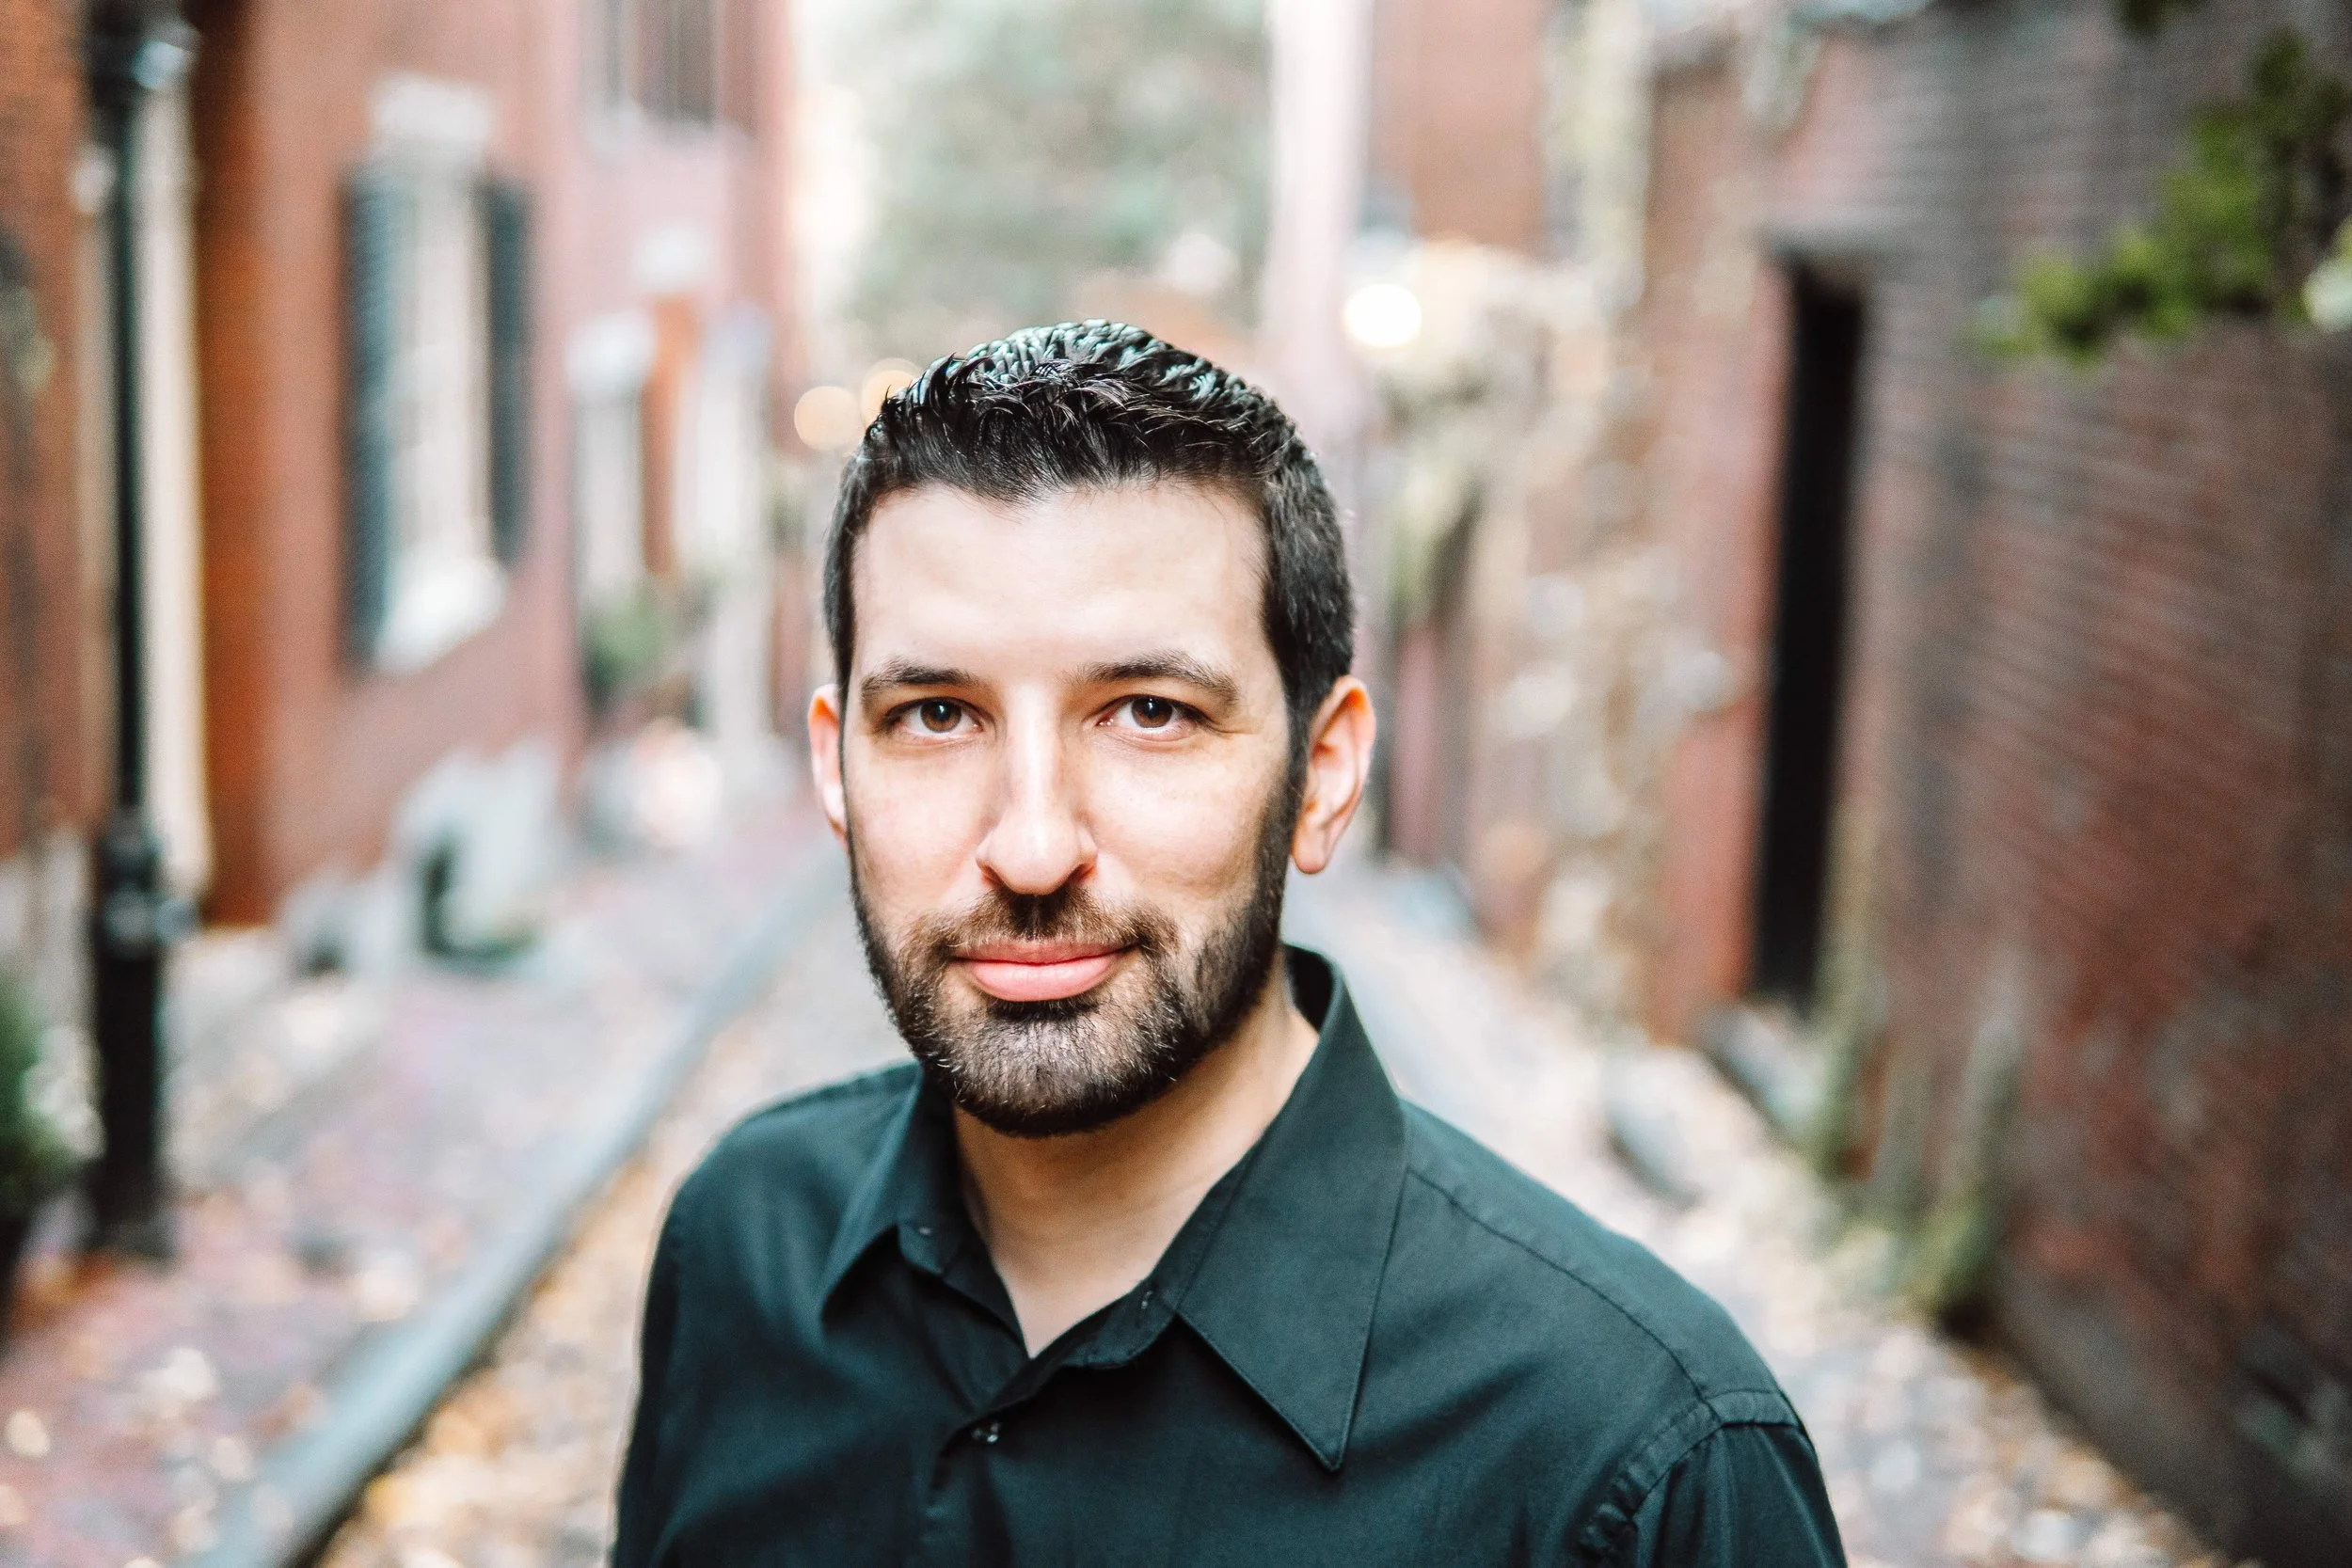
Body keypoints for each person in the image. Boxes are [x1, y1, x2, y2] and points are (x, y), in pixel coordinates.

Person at [613, 321, 1846, 1567]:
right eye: (938, 713)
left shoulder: (1636, 1465)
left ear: (1320, 774)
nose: (1032, 846)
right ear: (837, 766)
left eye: (1149, 712)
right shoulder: (741, 1246)